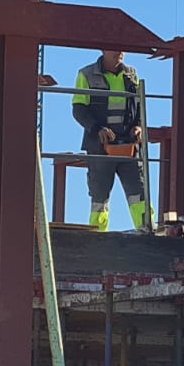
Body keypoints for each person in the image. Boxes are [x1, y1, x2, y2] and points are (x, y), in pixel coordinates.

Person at [71, 50, 149, 232]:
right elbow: (79, 109)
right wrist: (97, 128)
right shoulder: (86, 75)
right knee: (100, 194)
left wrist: (138, 126)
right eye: (115, 49)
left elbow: (139, 106)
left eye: (123, 49)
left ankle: (146, 230)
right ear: (103, 49)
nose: (120, 53)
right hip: (100, 147)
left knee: (138, 191)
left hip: (128, 145)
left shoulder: (131, 74)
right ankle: (98, 233)